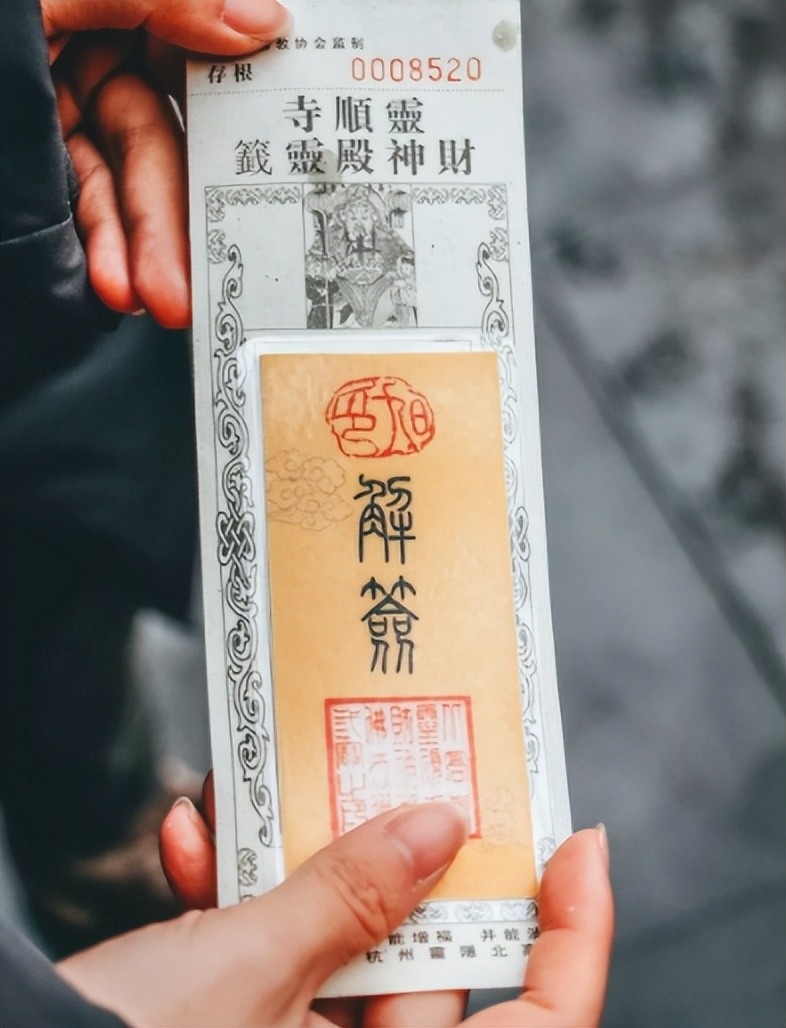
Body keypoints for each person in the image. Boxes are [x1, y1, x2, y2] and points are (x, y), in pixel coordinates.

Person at [0, 1, 614, 1023]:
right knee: (56, 637)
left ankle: (98, 853)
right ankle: (98, 862)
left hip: (52, 325)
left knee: (60, 637)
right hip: (60, 342)